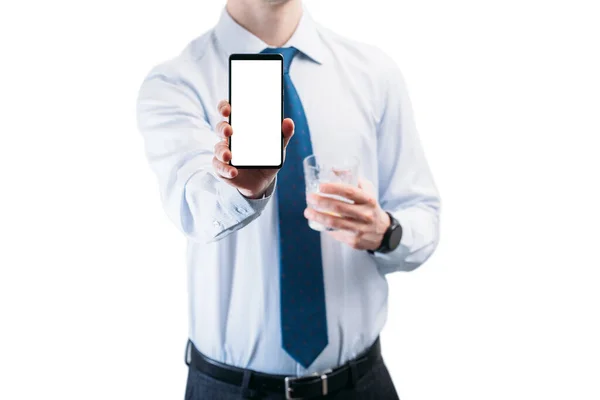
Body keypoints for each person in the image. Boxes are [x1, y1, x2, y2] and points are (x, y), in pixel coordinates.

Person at [136, 0, 441, 398]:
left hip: (362, 385)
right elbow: (193, 207)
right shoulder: (176, 83)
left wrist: (386, 231)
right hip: (231, 390)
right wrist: (244, 190)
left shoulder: (372, 73)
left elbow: (423, 214)